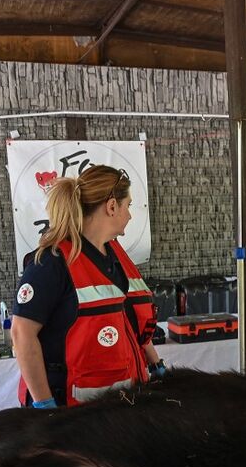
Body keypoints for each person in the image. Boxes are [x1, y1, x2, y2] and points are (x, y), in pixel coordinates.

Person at [12, 165, 164, 409]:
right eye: (129, 205)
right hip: (71, 413)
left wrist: (156, 365)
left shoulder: (114, 254)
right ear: (112, 206)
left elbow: (128, 320)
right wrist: (43, 404)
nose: (131, 214)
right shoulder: (52, 263)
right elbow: (22, 333)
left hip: (116, 406)